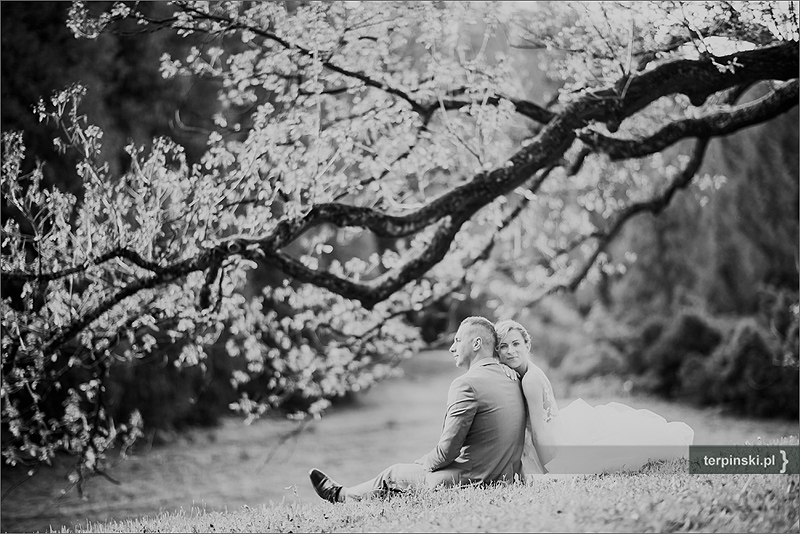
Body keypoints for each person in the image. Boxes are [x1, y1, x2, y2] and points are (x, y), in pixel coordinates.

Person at [308, 316, 527, 503]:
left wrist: (425, 462)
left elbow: (447, 452)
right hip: (506, 478)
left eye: (458, 340)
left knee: (393, 474)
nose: (452, 347)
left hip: (476, 480)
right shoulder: (514, 377)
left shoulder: (466, 384)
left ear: (477, 343)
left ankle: (342, 497)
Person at [494, 319, 694, 478]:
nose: (510, 350)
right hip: (557, 428)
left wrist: (551, 471)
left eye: (516, 344)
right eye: (503, 346)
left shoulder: (530, 380)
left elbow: (540, 432)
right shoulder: (525, 371)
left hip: (552, 445)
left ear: (527, 345)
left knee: (614, 454)